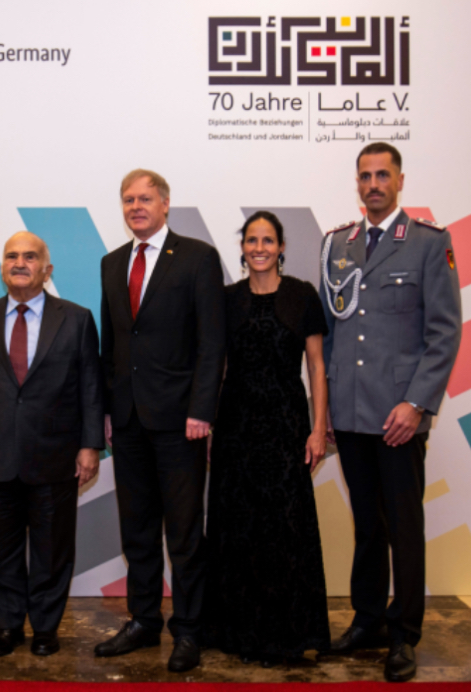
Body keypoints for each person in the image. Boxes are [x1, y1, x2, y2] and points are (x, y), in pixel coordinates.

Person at [320, 143, 462, 682]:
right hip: (351, 413)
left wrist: (417, 403)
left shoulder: (428, 242)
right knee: (367, 525)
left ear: (400, 180)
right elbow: (331, 335)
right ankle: (368, 620)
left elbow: (444, 331)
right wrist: (326, 407)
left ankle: (404, 634)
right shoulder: (338, 244)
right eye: (365, 176)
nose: (373, 184)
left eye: (383, 175)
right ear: (357, 183)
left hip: (400, 417)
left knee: (403, 527)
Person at [97, 169, 226, 673]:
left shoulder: (197, 257)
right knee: (138, 530)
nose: (136, 207)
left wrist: (202, 410)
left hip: (180, 421)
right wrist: (108, 410)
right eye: (128, 199)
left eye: (145, 198)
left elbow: (212, 342)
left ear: (165, 204)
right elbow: (112, 345)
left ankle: (189, 630)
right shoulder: (112, 263)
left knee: (185, 534)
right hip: (128, 420)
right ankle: (144, 621)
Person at [0, 231, 104, 658]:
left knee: (52, 549)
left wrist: (90, 445)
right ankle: (7, 626)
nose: (19, 263)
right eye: (11, 256)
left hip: (56, 454)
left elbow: (91, 387)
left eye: (30, 257)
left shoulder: (76, 319)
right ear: (2, 267)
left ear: (47, 269)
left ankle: (44, 627)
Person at [204, 211, 331, 666]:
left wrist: (318, 428)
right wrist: (210, 426)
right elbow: (217, 367)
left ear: (281, 247)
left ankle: (285, 632)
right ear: (242, 248)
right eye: (252, 240)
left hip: (286, 428)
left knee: (284, 529)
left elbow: (316, 365)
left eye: (268, 240)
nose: (260, 248)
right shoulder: (227, 299)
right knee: (237, 529)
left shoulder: (302, 295)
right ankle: (239, 630)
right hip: (235, 427)